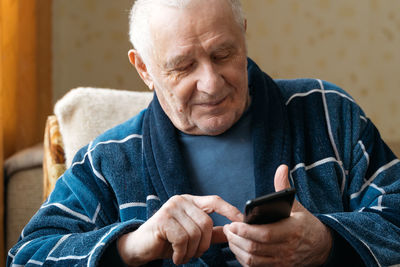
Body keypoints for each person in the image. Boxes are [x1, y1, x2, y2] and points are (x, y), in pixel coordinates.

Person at [7, 0, 400, 266]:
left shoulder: (327, 111)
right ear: (144, 68)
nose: (211, 83)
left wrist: (326, 242)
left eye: (223, 54)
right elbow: (28, 255)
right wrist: (129, 246)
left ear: (244, 34)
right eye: (183, 66)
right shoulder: (109, 159)